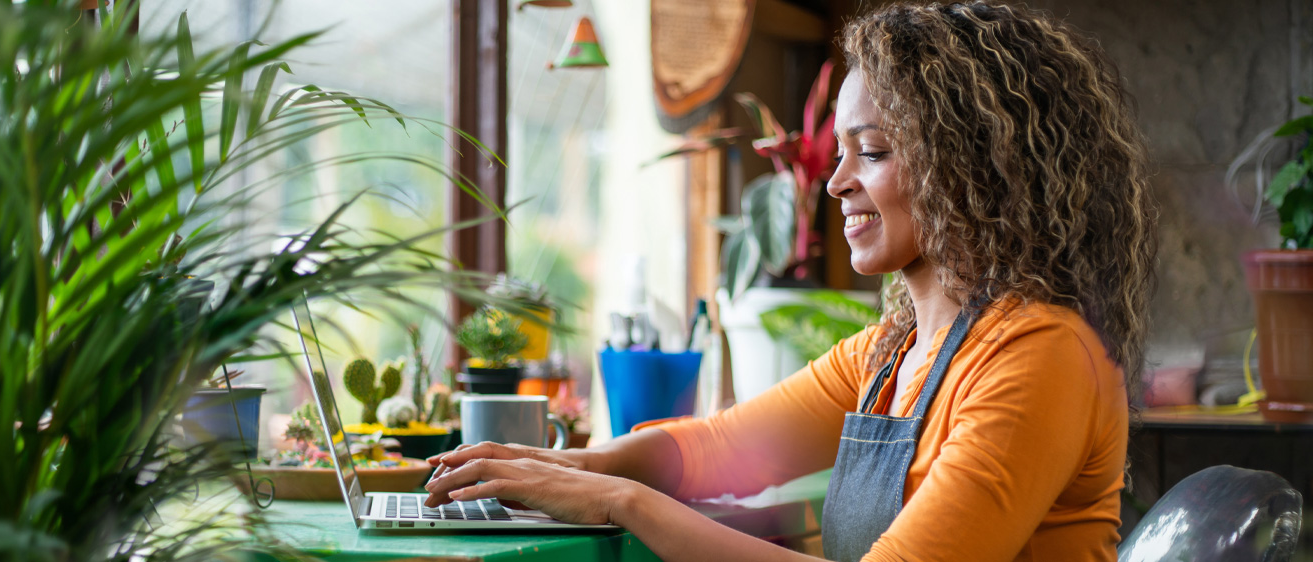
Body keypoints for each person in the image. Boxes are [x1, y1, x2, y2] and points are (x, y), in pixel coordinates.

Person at [424, 1, 1156, 560]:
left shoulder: (1041, 353)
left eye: (869, 152)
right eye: (840, 154)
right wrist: (550, 465)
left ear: (974, 166)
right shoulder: (891, 355)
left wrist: (621, 501)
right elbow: (716, 450)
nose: (835, 183)